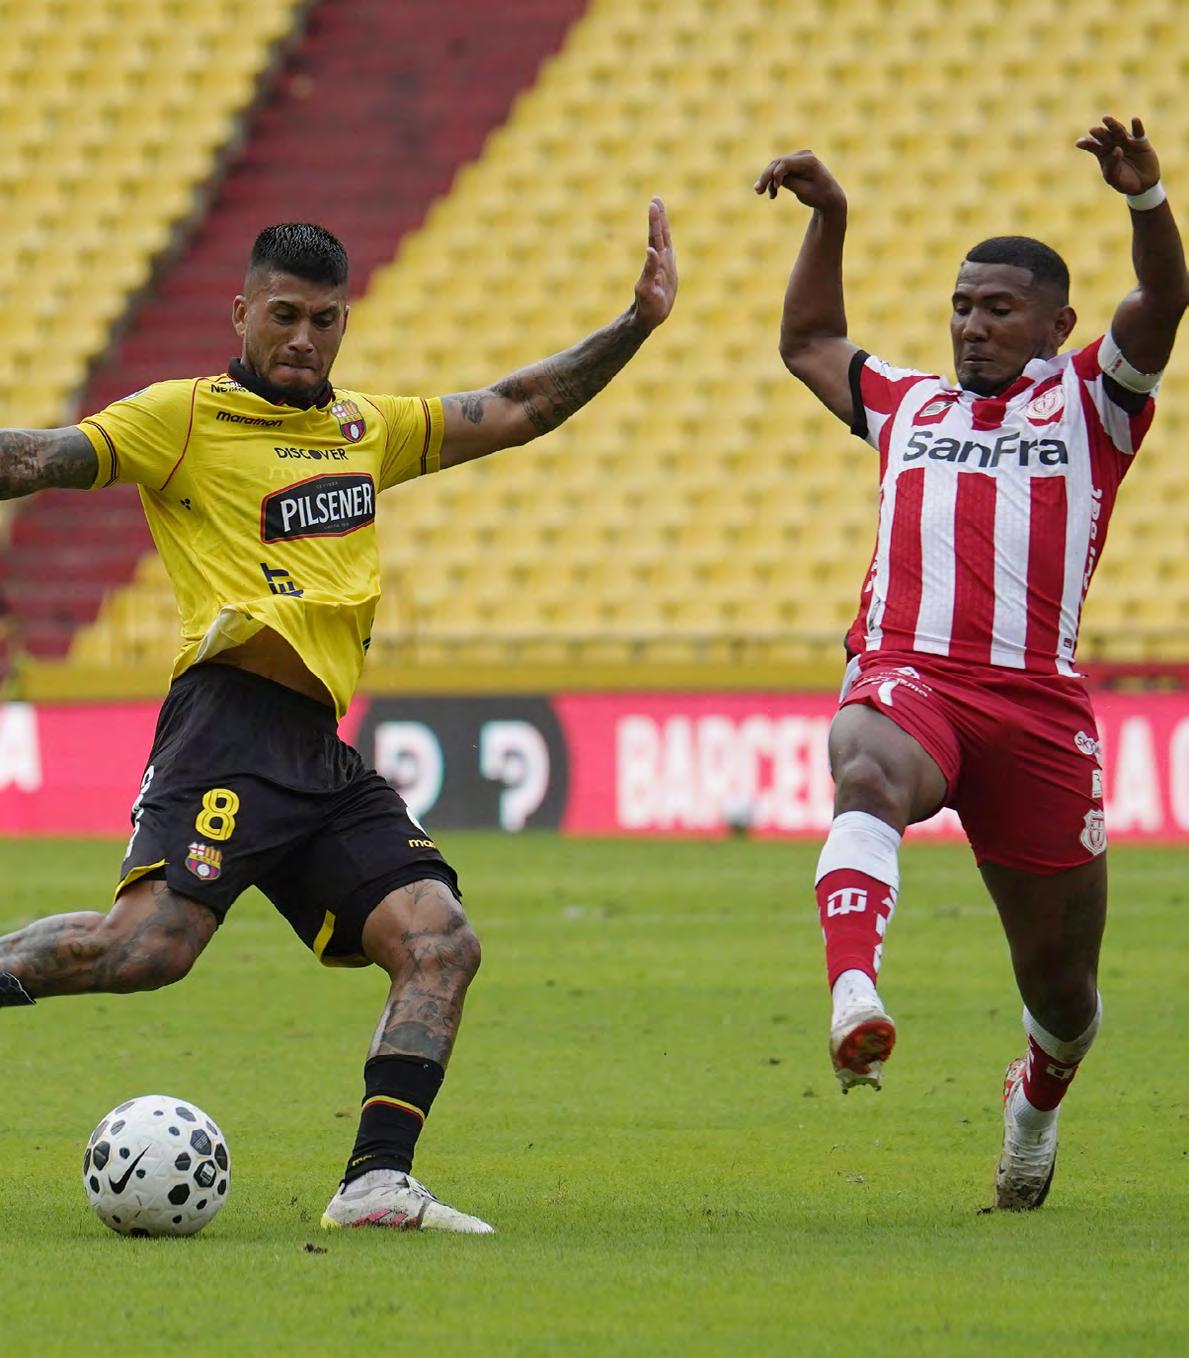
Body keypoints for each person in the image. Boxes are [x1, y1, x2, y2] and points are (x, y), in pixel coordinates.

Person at [0, 205, 677, 1232]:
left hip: (316, 750)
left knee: (440, 940)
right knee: (146, 950)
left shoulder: (366, 428)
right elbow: (40, 456)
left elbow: (515, 406)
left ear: (344, 323)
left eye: (324, 320)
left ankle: (375, 1182)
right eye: (283, 315)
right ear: (240, 313)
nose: (303, 338)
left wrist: (634, 324)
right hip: (228, 723)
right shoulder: (180, 418)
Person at [755, 116, 1186, 1209]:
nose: (971, 326)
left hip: (1036, 709)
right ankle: (853, 991)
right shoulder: (908, 404)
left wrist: (1144, 201)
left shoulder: (1092, 402)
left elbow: (1163, 296)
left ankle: (1032, 1102)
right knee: (863, 767)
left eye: (997, 309)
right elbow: (808, 340)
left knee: (1066, 996)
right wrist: (831, 217)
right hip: (915, 679)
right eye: (960, 305)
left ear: (1056, 324)